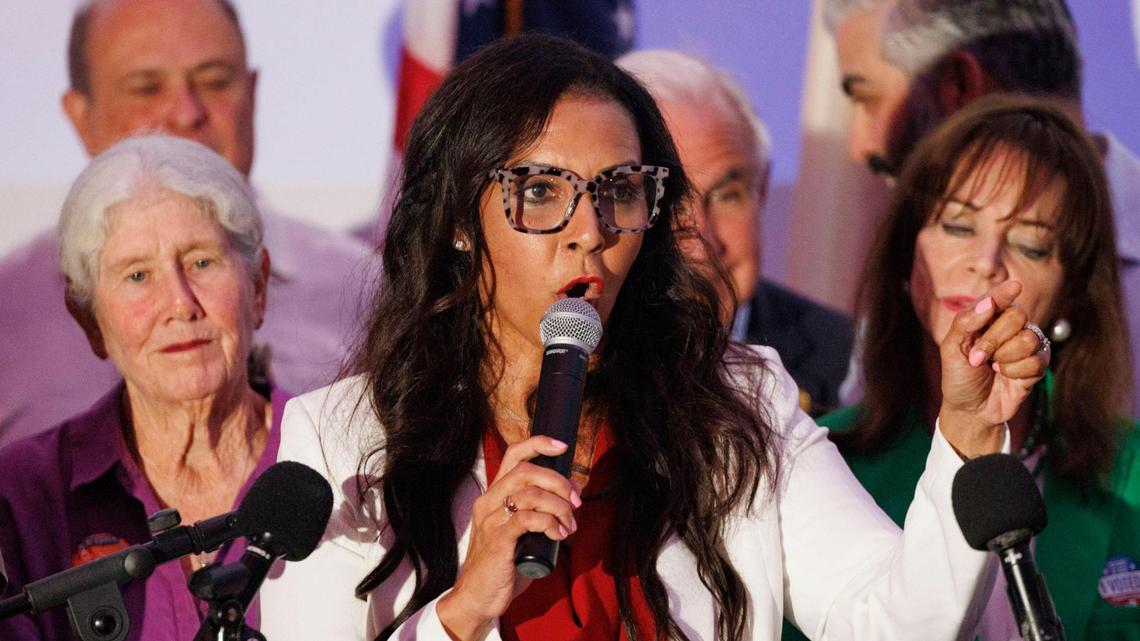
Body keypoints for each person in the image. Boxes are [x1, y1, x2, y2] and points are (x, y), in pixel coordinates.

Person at [258, 34, 1050, 641]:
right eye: (541, 192)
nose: (589, 233)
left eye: (618, 191)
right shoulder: (340, 438)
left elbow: (894, 621)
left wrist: (971, 435)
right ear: (462, 224)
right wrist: (462, 610)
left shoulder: (740, 402)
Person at [784, 96, 1140, 641]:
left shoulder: (1132, 471)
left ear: (1071, 296)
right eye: (958, 226)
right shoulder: (821, 465)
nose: (987, 260)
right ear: (908, 256)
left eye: (1029, 243)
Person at [0, 0, 375, 447]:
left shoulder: (369, 288)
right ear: (81, 115)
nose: (186, 111)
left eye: (214, 81)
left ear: (252, 94)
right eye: (146, 88)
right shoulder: (9, 307)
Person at [0, 135, 289, 641]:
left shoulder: (351, 461)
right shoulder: (21, 496)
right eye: (137, 275)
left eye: (202, 262)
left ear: (259, 286)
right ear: (90, 321)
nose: (180, 303)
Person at [823, 0, 1140, 407]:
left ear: (958, 83)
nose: (861, 146)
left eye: (868, 98)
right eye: (957, 226)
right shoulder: (923, 274)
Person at [617, 49, 853, 416]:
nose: (701, 243)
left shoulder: (845, 359)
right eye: (670, 204)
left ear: (761, 190)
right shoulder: (565, 358)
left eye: (727, 196)